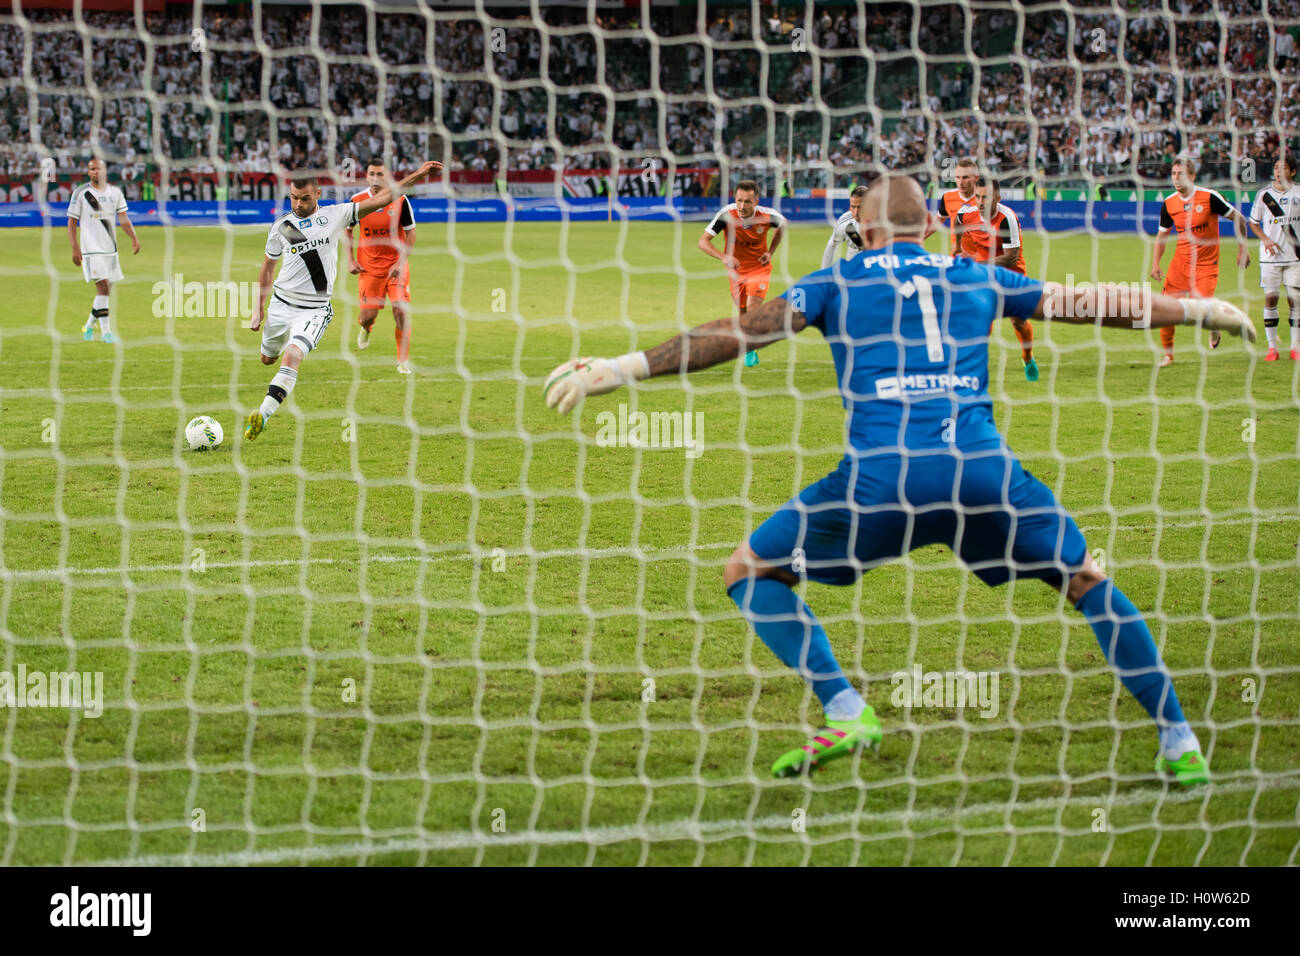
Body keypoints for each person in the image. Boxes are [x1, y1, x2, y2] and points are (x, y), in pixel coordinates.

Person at [545, 174, 1256, 785]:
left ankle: (847, 710)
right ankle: (1180, 741)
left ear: (864, 224)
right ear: (931, 224)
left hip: (881, 484)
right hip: (983, 477)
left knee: (748, 570)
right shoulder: (976, 275)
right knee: (1086, 581)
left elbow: (740, 331)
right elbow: (1090, 301)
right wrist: (1197, 309)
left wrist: (625, 367)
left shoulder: (838, 278)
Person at [244, 161, 440, 441]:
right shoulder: (282, 227)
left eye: (305, 198)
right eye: (294, 198)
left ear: (318, 194)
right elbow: (267, 267)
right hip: (280, 304)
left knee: (293, 356)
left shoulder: (337, 215)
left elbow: (385, 197)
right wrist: (257, 310)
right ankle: (271, 378)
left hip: (314, 310)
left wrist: (419, 175)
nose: (298, 204)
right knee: (267, 359)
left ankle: (261, 415)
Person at [1149, 156, 1251, 366]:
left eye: (1181, 174)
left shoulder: (1209, 197)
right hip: (1180, 265)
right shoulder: (1169, 204)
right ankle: (1168, 355)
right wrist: (1155, 264)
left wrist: (1244, 250)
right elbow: (1162, 236)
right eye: (1174, 174)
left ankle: (1214, 327)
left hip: (1206, 265)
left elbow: (1240, 218)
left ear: (1192, 176)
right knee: (1166, 310)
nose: (1176, 178)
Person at [699, 179, 785, 367]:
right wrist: (723, 257)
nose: (742, 206)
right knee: (743, 312)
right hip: (736, 271)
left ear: (756, 201)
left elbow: (783, 225)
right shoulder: (726, 215)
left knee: (753, 306)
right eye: (739, 200)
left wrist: (770, 252)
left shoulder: (767, 215)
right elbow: (703, 241)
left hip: (759, 268)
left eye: (747, 201)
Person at [345, 157, 418, 374]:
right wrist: (350, 260)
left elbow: (411, 231)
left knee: (400, 310)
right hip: (369, 269)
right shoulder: (357, 201)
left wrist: (401, 261)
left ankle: (402, 361)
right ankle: (366, 327)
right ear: (366, 175)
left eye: (380, 174)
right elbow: (348, 230)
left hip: (396, 266)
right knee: (368, 316)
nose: (375, 179)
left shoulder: (401, 200)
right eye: (372, 174)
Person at [67, 157, 140, 344]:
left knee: (106, 292)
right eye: (92, 169)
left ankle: (89, 326)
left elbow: (123, 218)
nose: (95, 172)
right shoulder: (81, 193)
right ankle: (107, 333)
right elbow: (72, 221)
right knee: (104, 287)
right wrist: (74, 247)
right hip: (91, 250)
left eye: (98, 169)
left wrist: (133, 238)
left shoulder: (115, 192)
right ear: (88, 171)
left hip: (111, 249)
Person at [972, 176, 1038, 381]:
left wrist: (977, 265)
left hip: (1012, 275)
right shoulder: (969, 215)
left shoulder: (1006, 217)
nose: (981, 202)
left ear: (997, 197)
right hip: (986, 276)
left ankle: (1028, 358)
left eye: (986, 197)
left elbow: (1011, 257)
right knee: (983, 318)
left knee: (1018, 323)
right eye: (977, 197)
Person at [1247, 156, 1300, 361]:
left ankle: (1295, 347)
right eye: (1276, 168)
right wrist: (1265, 239)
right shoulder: (1264, 195)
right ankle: (1272, 348)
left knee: (1294, 301)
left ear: (1292, 172)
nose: (1278, 172)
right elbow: (1253, 222)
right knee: (1271, 299)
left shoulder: (1298, 192)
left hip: (1295, 257)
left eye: (1283, 168)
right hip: (1270, 258)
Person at [820, 185, 867, 268]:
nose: (856, 212)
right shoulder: (846, 224)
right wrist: (823, 271)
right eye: (853, 207)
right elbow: (832, 245)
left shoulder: (883, 223)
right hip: (853, 272)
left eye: (860, 207)